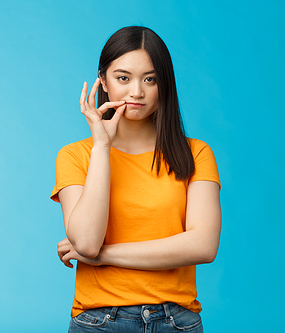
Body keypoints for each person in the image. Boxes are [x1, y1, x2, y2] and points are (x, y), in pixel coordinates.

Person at [51, 26, 221, 333]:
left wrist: (105, 256)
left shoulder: (195, 153)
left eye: (150, 79)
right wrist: (102, 146)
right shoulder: (76, 155)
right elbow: (87, 242)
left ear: (163, 84)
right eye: (123, 77)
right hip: (100, 321)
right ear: (103, 80)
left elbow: (204, 245)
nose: (137, 92)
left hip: (176, 321)